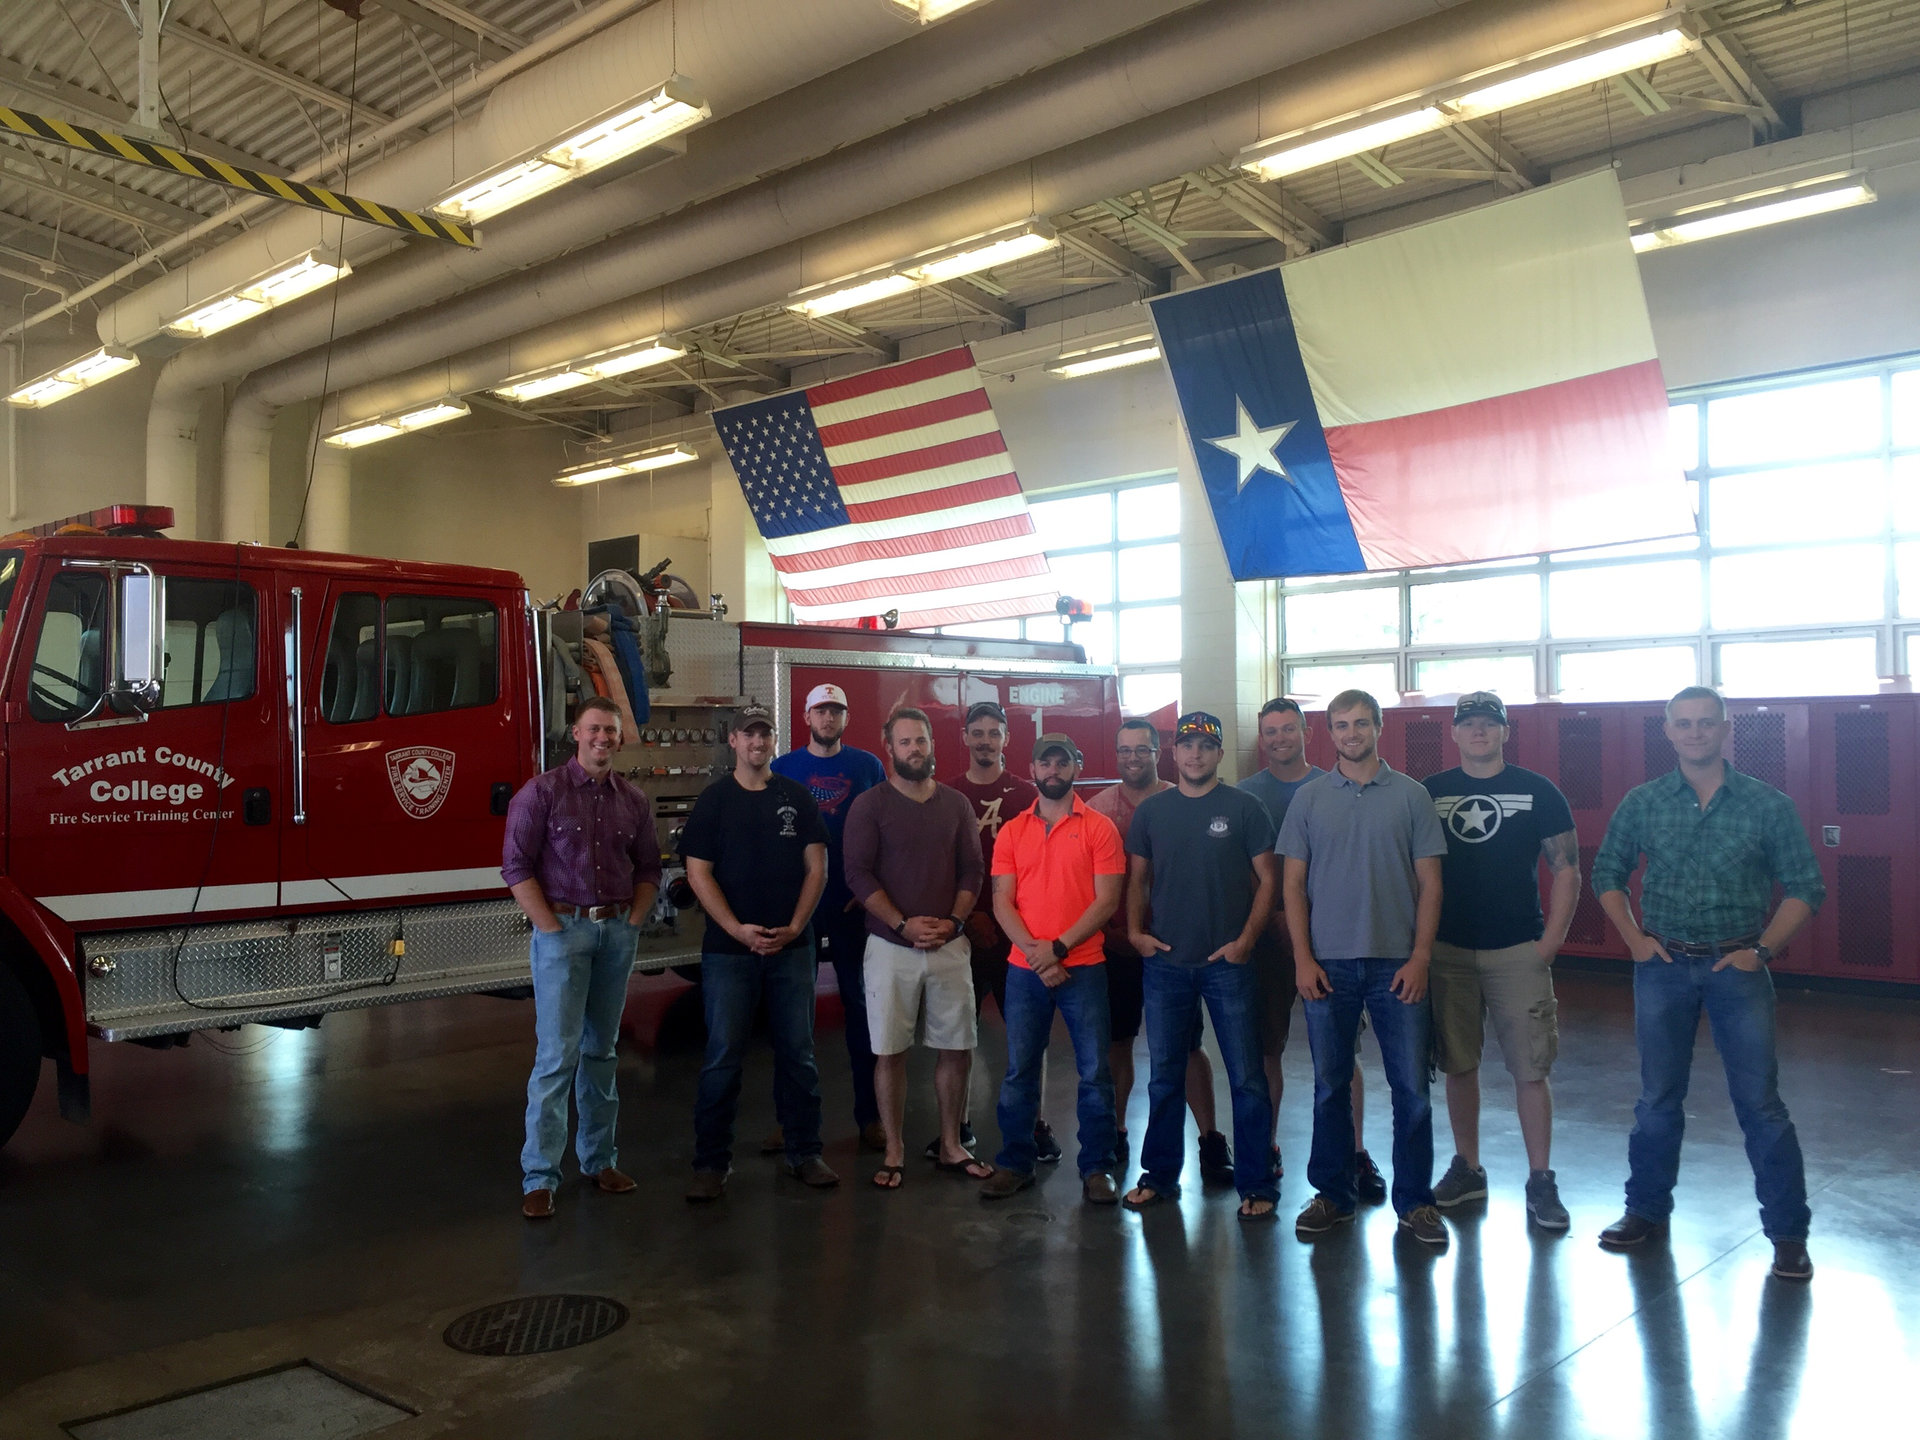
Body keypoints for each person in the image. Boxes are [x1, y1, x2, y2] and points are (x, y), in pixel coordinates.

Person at [1591, 685, 1824, 1281]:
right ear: (1667, 732)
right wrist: (1635, 940)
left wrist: (1763, 950)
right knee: (1657, 1102)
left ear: (1725, 730)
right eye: (1683, 724)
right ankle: (1645, 1212)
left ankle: (1788, 1235)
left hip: (1736, 969)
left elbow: (1805, 887)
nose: (1695, 733)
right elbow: (1607, 873)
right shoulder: (1643, 802)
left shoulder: (1767, 805)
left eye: (1706, 723)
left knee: (1761, 1107)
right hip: (1663, 967)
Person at [1278, 689, 1450, 1247]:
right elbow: (1293, 886)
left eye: (1360, 723)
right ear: (1328, 732)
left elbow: (1431, 884)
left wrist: (1421, 956)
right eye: (1340, 725)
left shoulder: (1412, 796)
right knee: (1329, 1085)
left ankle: (1416, 1203)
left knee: (1411, 1091)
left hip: (1397, 965)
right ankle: (1333, 1194)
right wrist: (1303, 958)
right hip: (1327, 965)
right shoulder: (1307, 800)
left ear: (1378, 727)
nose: (1351, 733)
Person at [1422, 692, 1580, 1231]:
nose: (1480, 732)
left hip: (1517, 949)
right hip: (1447, 952)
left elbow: (1567, 870)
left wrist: (1550, 944)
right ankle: (1467, 1168)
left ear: (1505, 732)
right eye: (1470, 724)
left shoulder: (1539, 791)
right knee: (1458, 1064)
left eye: (1490, 724)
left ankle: (1541, 1179)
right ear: (1455, 733)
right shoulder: (1432, 792)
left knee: (1530, 1069)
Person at [503, 695, 661, 1220]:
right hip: (563, 933)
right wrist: (550, 929)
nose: (602, 739)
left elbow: (648, 869)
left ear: (619, 738)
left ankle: (599, 1161)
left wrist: (633, 923)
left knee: (602, 1053)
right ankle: (540, 1177)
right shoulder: (541, 793)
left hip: (615, 934)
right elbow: (516, 868)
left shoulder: (633, 800)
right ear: (576, 732)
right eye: (594, 729)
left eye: (611, 732)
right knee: (556, 1058)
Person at [1122, 711, 1280, 1220]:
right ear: (1174, 752)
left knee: (1248, 1079)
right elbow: (1137, 881)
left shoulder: (1245, 808)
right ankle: (1160, 1176)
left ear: (1218, 754)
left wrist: (1246, 941)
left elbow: (1269, 882)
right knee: (1164, 1077)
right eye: (1187, 746)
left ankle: (1256, 1183)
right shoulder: (1152, 812)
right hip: (1166, 964)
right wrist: (1135, 933)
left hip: (1227, 965)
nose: (1195, 755)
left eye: (1205, 747)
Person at [680, 703, 836, 1202]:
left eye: (764, 734)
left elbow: (818, 869)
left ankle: (805, 1152)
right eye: (748, 735)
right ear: (733, 741)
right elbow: (697, 873)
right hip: (729, 952)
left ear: (773, 740)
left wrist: (794, 927)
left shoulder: (796, 797)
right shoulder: (714, 801)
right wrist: (737, 929)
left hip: (792, 949)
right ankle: (710, 1162)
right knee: (723, 1057)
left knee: (799, 1054)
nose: (757, 742)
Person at [1238, 697, 1385, 1201]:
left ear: (1306, 732)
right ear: (1262, 737)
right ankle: (1269, 1145)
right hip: (1267, 944)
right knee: (1266, 1050)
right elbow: (1246, 872)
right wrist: (1267, 922)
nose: (1279, 738)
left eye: (1288, 729)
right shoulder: (1246, 795)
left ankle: (1357, 1151)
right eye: (1270, 731)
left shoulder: (1333, 788)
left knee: (1344, 1052)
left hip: (1330, 942)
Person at [844, 707, 990, 1189]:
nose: (915, 749)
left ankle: (951, 1144)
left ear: (932, 745)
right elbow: (857, 873)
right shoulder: (870, 805)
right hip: (890, 946)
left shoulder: (957, 805)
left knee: (958, 1047)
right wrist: (903, 924)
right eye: (905, 742)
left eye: (921, 741)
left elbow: (973, 870)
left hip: (949, 945)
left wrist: (953, 921)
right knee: (890, 1051)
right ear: (889, 748)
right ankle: (895, 1149)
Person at [979, 735, 1126, 1204]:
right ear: (1033, 768)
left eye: (1064, 761)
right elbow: (1001, 899)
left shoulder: (1100, 828)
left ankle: (1098, 1168)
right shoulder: (1012, 831)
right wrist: (1035, 952)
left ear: (1077, 765)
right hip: (1025, 971)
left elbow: (1107, 901)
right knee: (1020, 1069)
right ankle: (1015, 1162)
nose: (1055, 769)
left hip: (1084, 967)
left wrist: (1058, 949)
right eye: (1047, 761)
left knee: (1094, 1072)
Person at [1090, 718, 1234, 1183]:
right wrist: (1118, 934)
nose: (1133, 757)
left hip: (1174, 949)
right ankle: (1115, 1132)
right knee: (1118, 1043)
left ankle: (1210, 1138)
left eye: (1142, 749)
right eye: (1124, 750)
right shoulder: (1097, 810)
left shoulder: (1183, 800)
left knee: (1187, 1047)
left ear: (1160, 752)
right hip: (1115, 948)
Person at [771, 683, 888, 1154]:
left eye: (836, 710)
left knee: (861, 1012)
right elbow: (774, 839)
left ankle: (871, 1116)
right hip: (801, 908)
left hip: (850, 908)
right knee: (792, 1017)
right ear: (806, 716)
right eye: (820, 710)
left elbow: (887, 830)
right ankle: (791, 1120)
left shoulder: (867, 767)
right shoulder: (784, 769)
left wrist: (872, 893)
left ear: (844, 717)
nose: (828, 718)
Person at [946, 701, 1056, 1157]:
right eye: (978, 732)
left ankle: (1036, 1124)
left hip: (1018, 936)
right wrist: (968, 917)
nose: (986, 740)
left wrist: (1017, 924)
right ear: (965, 738)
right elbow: (942, 864)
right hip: (964, 935)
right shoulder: (947, 795)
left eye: (994, 732)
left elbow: (1046, 866)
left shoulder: (1030, 795)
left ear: (1007, 739)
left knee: (1028, 1036)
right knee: (958, 1034)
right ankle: (958, 1127)